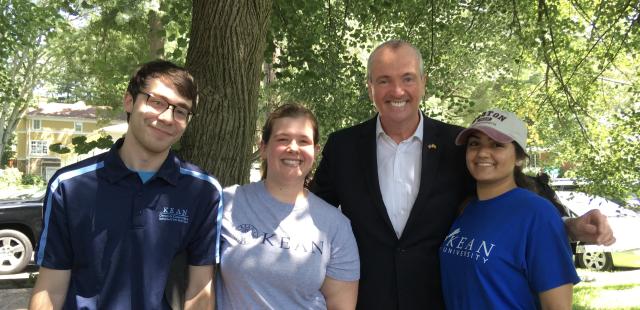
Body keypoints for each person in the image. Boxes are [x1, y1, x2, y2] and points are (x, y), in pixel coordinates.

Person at [310, 39, 615, 309]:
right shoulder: (343, 147)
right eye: (384, 81)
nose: (397, 91)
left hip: (439, 300)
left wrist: (570, 226)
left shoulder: (457, 145)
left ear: (424, 83)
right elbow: (311, 211)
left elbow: (505, 202)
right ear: (370, 88)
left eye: (407, 78)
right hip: (366, 300)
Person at [29, 60, 220, 309]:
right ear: (129, 101)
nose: (167, 117)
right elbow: (51, 288)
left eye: (181, 111)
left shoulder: (203, 191)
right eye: (157, 102)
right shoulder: (69, 186)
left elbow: (199, 291)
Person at [216, 103, 360, 309]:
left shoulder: (335, 226)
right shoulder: (229, 203)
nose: (293, 148)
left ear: (316, 151)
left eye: (304, 141)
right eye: (283, 139)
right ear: (263, 147)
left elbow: (340, 305)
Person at [439, 108, 580, 309]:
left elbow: (557, 306)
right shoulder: (466, 208)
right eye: (474, 144)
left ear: (520, 158)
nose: (482, 153)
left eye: (497, 145)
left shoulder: (537, 214)